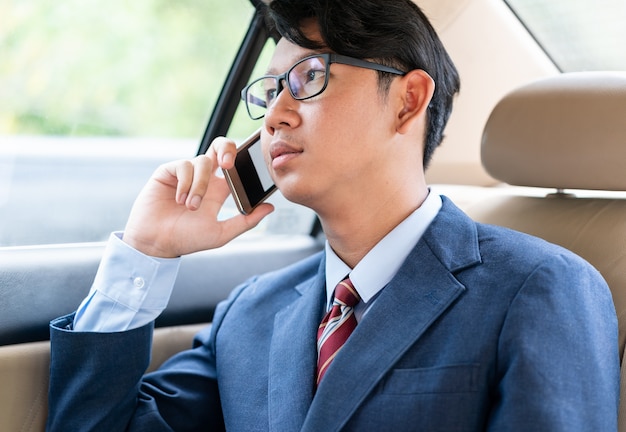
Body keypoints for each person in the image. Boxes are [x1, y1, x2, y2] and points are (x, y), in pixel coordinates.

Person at [46, 0, 619, 430]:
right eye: (269, 92)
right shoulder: (251, 313)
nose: (275, 117)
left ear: (408, 100)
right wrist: (144, 254)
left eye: (308, 79)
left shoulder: (540, 288)